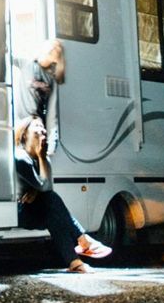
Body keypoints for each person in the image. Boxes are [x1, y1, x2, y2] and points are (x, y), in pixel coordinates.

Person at [14, 113, 111, 273]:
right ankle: (83, 239)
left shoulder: (42, 158)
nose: (43, 132)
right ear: (25, 133)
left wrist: (42, 161)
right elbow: (46, 189)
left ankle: (75, 263)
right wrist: (39, 189)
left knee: (54, 216)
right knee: (51, 199)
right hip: (17, 212)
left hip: (35, 210)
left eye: (44, 129)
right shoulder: (20, 158)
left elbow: (45, 187)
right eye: (37, 128)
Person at [14, 38, 65, 155]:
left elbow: (52, 113)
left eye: (53, 54)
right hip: (21, 123)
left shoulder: (51, 78)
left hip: (36, 128)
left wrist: (52, 143)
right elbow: (8, 57)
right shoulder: (26, 62)